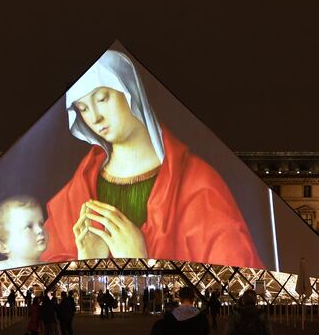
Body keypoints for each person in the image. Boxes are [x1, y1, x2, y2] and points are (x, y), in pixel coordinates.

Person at [40, 50, 264, 269]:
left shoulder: (199, 185)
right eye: (83, 108)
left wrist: (142, 260)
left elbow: (235, 278)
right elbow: (43, 270)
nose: (95, 117)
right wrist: (85, 263)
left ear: (130, 90)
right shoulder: (77, 192)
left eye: (102, 98)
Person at [0, 197, 47, 272]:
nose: (40, 230)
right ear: (4, 247)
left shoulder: (49, 268)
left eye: (41, 224)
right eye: (29, 227)